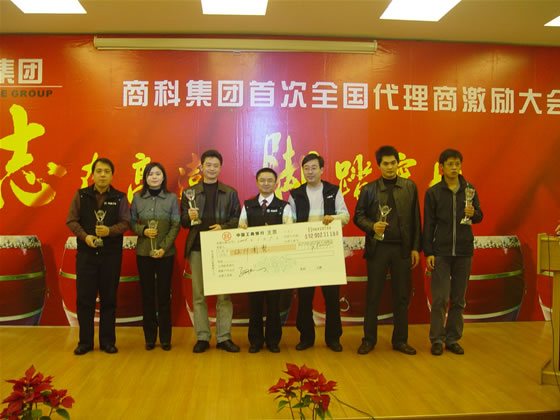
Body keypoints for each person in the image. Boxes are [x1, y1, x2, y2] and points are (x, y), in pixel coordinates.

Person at [353, 146, 421, 355]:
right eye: (385, 164)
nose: (390, 167)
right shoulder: (369, 189)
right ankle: (369, 340)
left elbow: (416, 219)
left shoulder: (409, 187)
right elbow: (358, 216)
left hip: (402, 249)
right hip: (378, 249)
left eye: (393, 163)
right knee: (373, 295)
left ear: (398, 163)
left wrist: (415, 248)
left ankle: (400, 340)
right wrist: (372, 226)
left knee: (402, 296)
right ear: (379, 165)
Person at [66, 157, 130, 355]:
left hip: (111, 256)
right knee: (85, 299)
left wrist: (109, 231)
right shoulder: (81, 195)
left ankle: (107, 341)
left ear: (112, 175)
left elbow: (126, 222)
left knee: (109, 299)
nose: (103, 175)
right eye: (99, 171)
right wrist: (85, 237)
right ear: (92, 174)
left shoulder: (120, 197)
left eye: (107, 172)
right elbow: (71, 220)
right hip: (86, 255)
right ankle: (85, 342)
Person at [181, 149, 241, 353]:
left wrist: (222, 227)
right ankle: (203, 337)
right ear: (202, 167)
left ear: (220, 168)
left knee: (224, 295)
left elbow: (237, 220)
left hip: (222, 248)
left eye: (216, 165)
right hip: (197, 247)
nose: (212, 168)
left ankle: (224, 337)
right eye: (208, 165)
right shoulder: (190, 192)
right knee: (199, 295)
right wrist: (189, 217)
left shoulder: (230, 193)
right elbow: (183, 222)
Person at [423, 149, 483, 356]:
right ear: (442, 167)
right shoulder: (433, 193)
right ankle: (437, 339)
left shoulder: (470, 190)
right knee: (440, 299)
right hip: (441, 252)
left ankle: (452, 338)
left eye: (457, 164)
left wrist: (473, 213)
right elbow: (428, 224)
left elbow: (479, 216)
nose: (454, 168)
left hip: (464, 251)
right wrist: (429, 252)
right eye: (450, 164)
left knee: (458, 299)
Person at [288, 153, 350, 352]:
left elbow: (346, 216)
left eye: (314, 168)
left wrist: (333, 218)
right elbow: (289, 221)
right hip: (304, 251)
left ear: (322, 170)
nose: (310, 172)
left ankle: (333, 338)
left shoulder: (333, 190)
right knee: (305, 297)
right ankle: (306, 337)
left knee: (331, 297)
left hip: (329, 250)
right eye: (306, 168)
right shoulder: (295, 194)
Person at [239, 168, 293, 353]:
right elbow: (240, 229)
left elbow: (290, 233)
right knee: (254, 304)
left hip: (275, 263)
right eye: (262, 180)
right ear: (257, 182)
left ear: (276, 183)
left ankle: (273, 341)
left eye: (270, 180)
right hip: (252, 263)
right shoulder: (248, 205)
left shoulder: (284, 206)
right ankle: (255, 341)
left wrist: (273, 233)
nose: (266, 183)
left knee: (273, 304)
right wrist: (244, 231)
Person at [130, 162, 180, 351]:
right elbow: (131, 223)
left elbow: (175, 225)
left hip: (166, 254)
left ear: (163, 177)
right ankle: (149, 337)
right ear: (145, 177)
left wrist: (164, 248)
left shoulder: (171, 198)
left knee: (164, 295)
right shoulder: (137, 198)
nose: (154, 177)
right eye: (150, 174)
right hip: (144, 252)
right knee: (147, 295)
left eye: (158, 173)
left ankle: (165, 338)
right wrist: (142, 230)